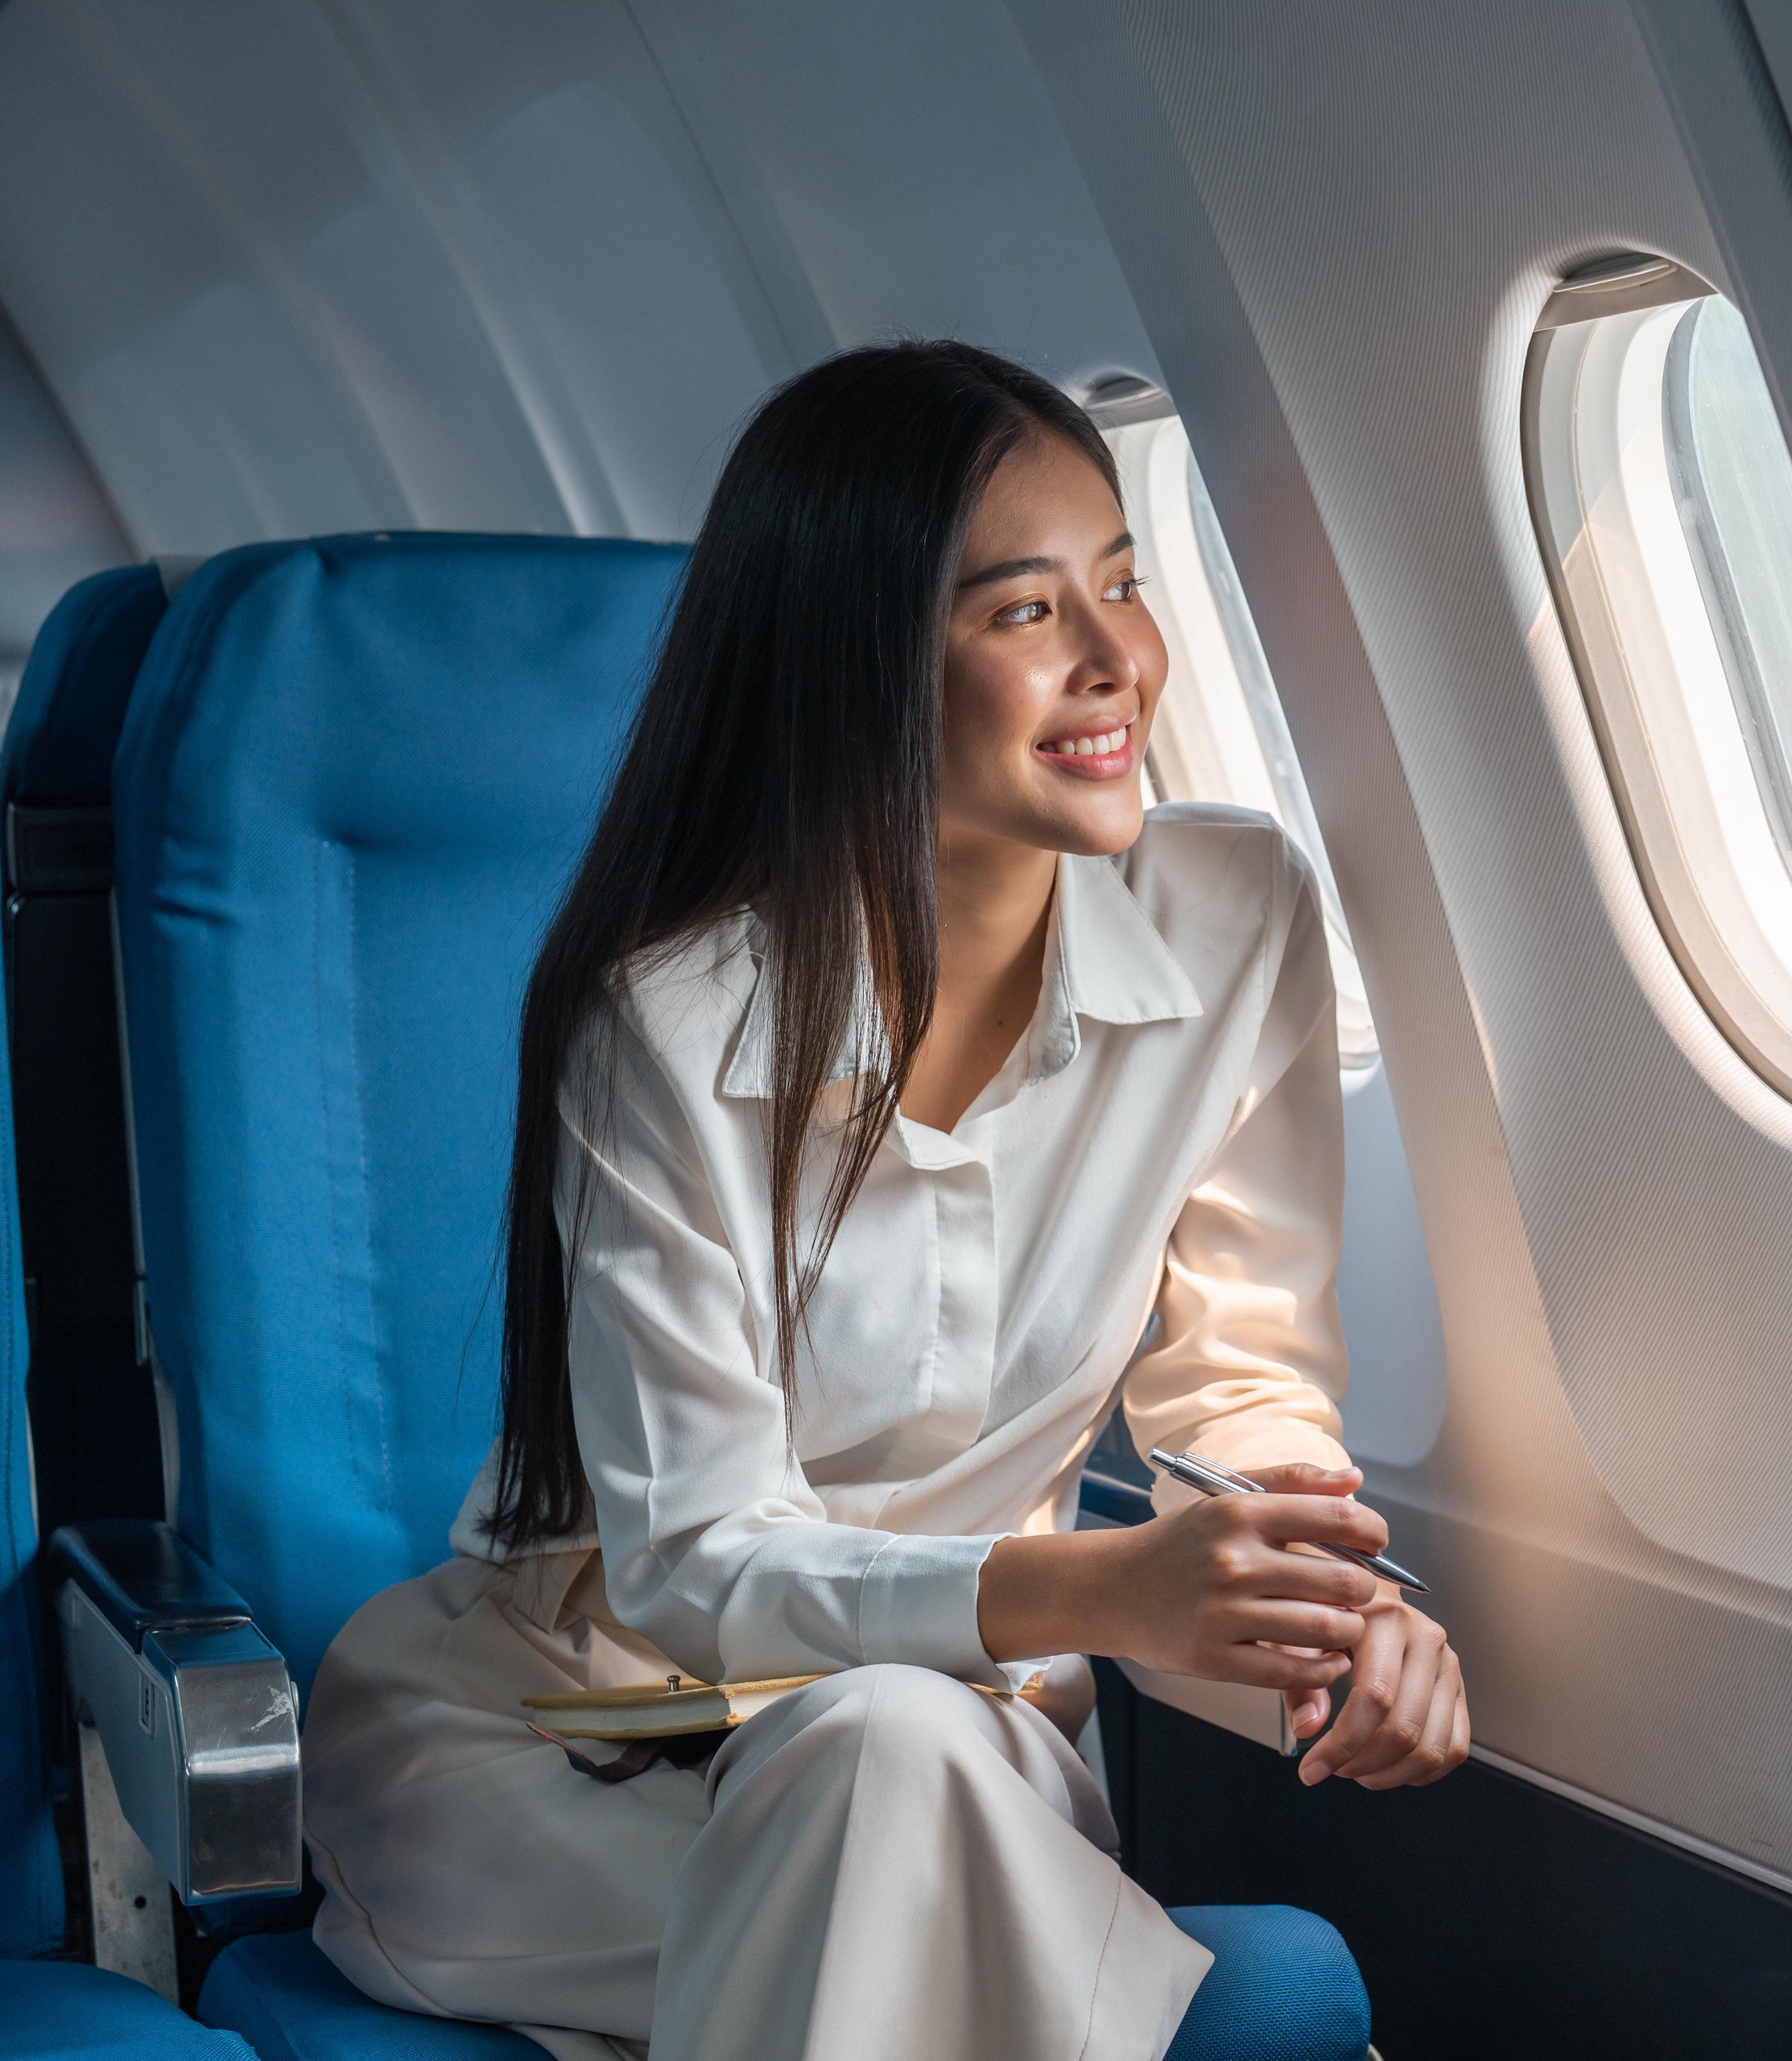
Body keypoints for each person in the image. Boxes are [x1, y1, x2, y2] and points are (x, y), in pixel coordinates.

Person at [299, 341, 1468, 2061]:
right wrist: (1097, 1590)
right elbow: (699, 1561)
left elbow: (1242, 1372)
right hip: (560, 1744)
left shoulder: (1242, 922)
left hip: (949, 1740)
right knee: (904, 1827)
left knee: (892, 1769)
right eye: (1021, 613)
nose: (1114, 659)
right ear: (860, 669)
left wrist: (1325, 1601)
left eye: (1121, 584)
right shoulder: (670, 1026)